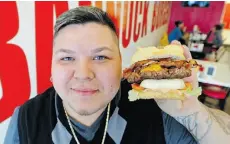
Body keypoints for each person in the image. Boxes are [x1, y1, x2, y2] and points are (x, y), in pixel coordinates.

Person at [4, 6, 230, 144]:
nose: (83, 74)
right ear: (52, 70)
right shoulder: (26, 119)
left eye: (101, 57)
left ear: (122, 67)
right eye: (67, 58)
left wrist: (192, 111)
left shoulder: (156, 108)